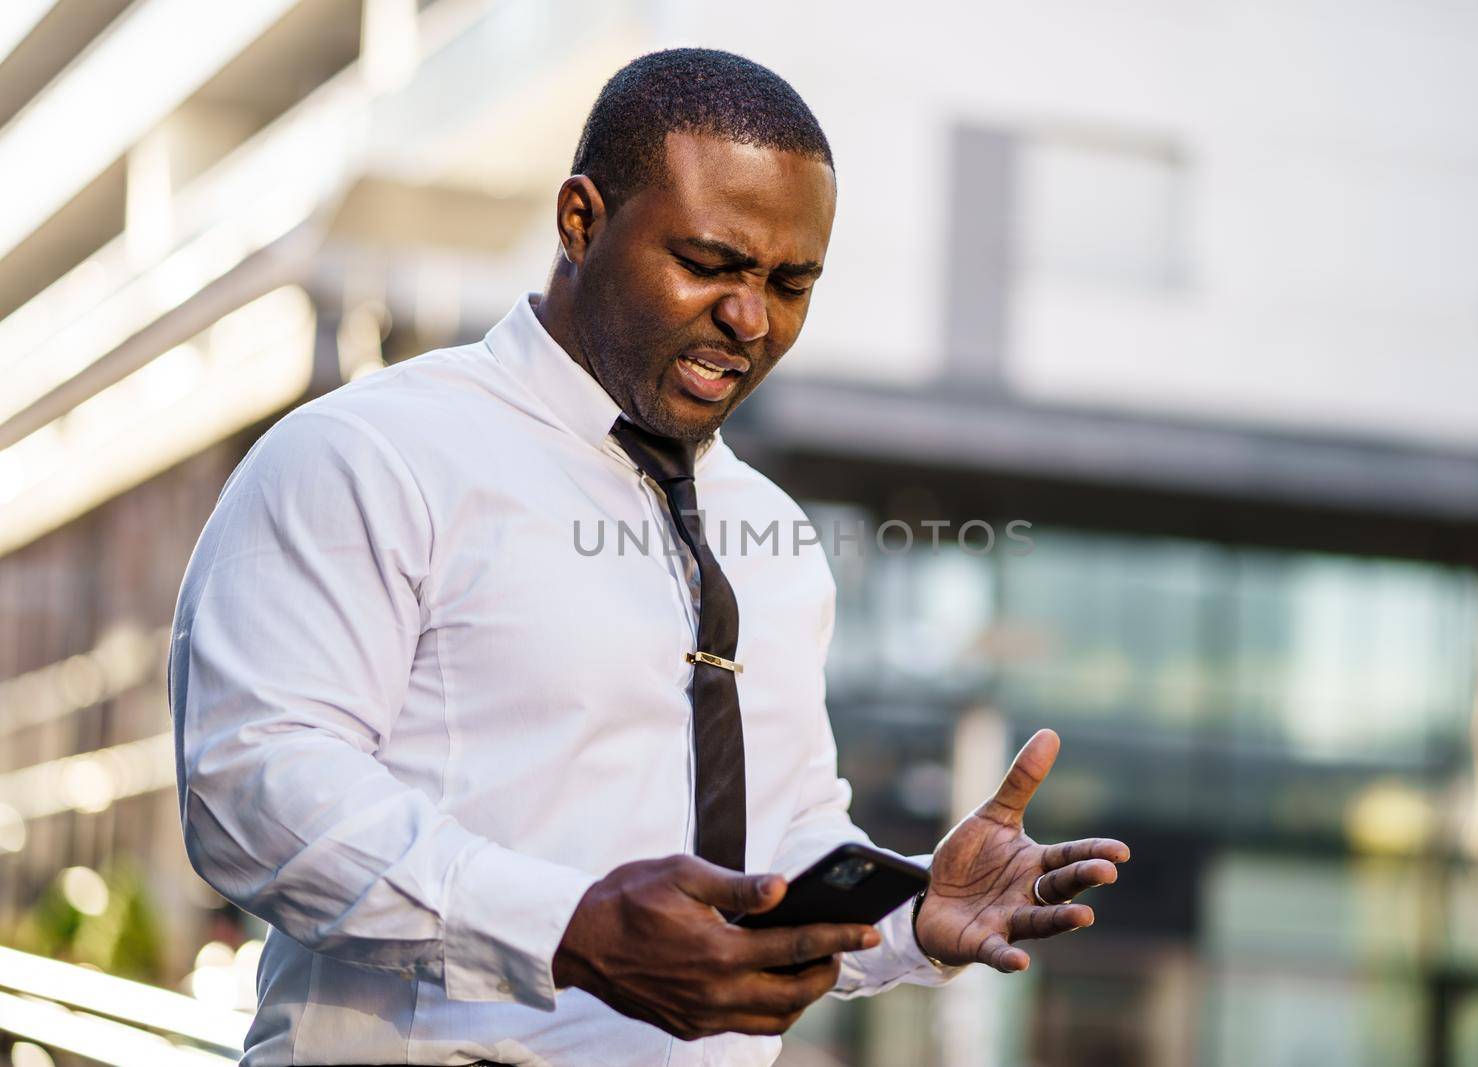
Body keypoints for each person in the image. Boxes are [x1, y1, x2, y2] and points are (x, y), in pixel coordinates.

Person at [168, 48, 1129, 1066]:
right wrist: (567, 927)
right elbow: (252, 785)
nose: (751, 318)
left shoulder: (775, 536)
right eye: (710, 263)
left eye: (790, 281)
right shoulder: (371, 454)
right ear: (580, 221)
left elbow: (781, 835)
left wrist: (909, 905)